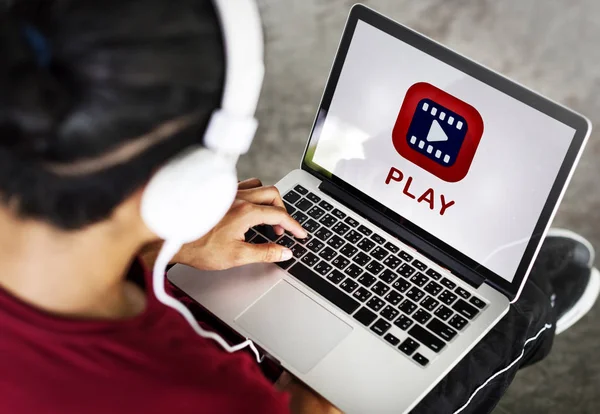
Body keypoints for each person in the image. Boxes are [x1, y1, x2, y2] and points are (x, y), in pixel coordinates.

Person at [0, 1, 597, 414]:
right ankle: (534, 316)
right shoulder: (215, 398)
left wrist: (170, 246)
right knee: (507, 311)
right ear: (192, 183)